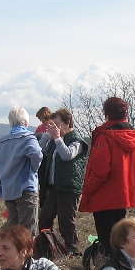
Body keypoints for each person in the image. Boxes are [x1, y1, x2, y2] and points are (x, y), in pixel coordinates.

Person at [79, 97, 135, 255]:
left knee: (107, 236)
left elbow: (100, 171)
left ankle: (111, 264)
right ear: (125, 114)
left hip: (104, 196)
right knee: (120, 234)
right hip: (124, 195)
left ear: (107, 114)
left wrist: (87, 191)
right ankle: (123, 260)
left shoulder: (105, 137)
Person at [37, 108, 88, 255]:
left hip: (68, 186)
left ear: (68, 123)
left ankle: (72, 249)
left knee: (66, 220)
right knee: (45, 217)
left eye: (58, 124)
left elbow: (67, 155)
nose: (56, 128)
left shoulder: (76, 140)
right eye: (53, 125)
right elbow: (39, 149)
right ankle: (47, 245)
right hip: (54, 186)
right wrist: (48, 134)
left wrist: (57, 138)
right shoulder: (55, 140)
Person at [0, 106, 43, 234]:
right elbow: (37, 154)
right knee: (27, 229)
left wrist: (4, 168)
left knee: (13, 226)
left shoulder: (2, 141)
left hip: (8, 188)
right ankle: (25, 248)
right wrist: (33, 168)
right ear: (26, 122)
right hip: (25, 187)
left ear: (11, 122)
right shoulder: (28, 138)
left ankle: (12, 247)